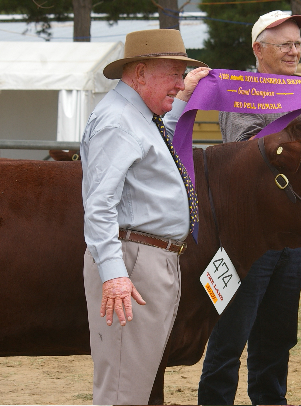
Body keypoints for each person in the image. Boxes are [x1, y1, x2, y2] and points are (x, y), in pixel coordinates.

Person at [198, 10, 301, 405]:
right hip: (246, 238)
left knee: (276, 339)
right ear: (258, 49)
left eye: (297, 44)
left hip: (289, 238)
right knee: (229, 336)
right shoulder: (241, 91)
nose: (294, 51)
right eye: (285, 44)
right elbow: (254, 151)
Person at [80, 29, 210, 405]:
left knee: (132, 384)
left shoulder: (135, 116)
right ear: (140, 73)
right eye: (173, 74)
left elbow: (156, 146)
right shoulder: (119, 121)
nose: (179, 82)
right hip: (133, 263)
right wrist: (115, 274)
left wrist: (182, 98)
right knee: (123, 390)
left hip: (143, 259)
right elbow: (99, 204)